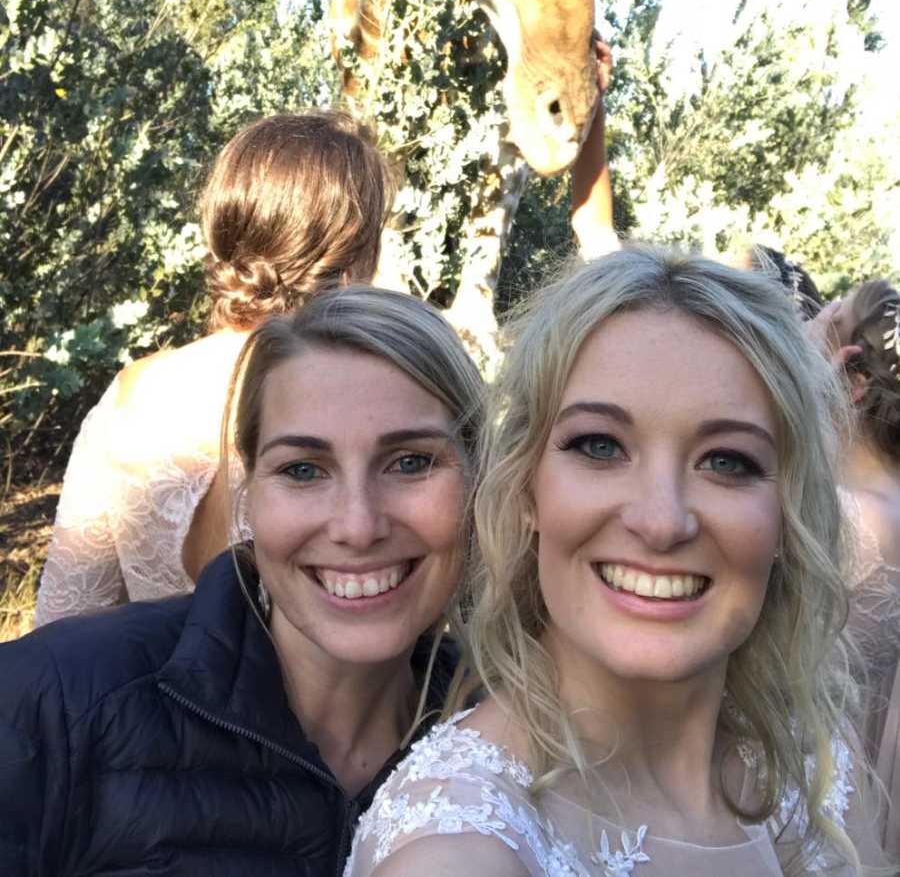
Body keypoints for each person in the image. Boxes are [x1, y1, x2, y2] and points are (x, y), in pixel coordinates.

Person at [347, 248, 886, 876]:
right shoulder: (457, 851)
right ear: (525, 489)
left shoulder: (816, 760)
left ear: (789, 514)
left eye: (727, 460)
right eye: (600, 446)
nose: (661, 522)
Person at [0, 285, 483, 875]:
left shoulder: (515, 742)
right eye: (303, 470)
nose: (358, 526)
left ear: (480, 479)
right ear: (250, 492)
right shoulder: (52, 706)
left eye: (410, 461)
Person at [34, 109, 392, 625]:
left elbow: (63, 621)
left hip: (155, 703)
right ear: (356, 249)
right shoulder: (376, 397)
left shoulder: (131, 397)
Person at [818, 278, 900, 860]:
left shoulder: (842, 517)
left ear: (854, 380)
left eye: (834, 317)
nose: (819, 315)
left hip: (821, 769)